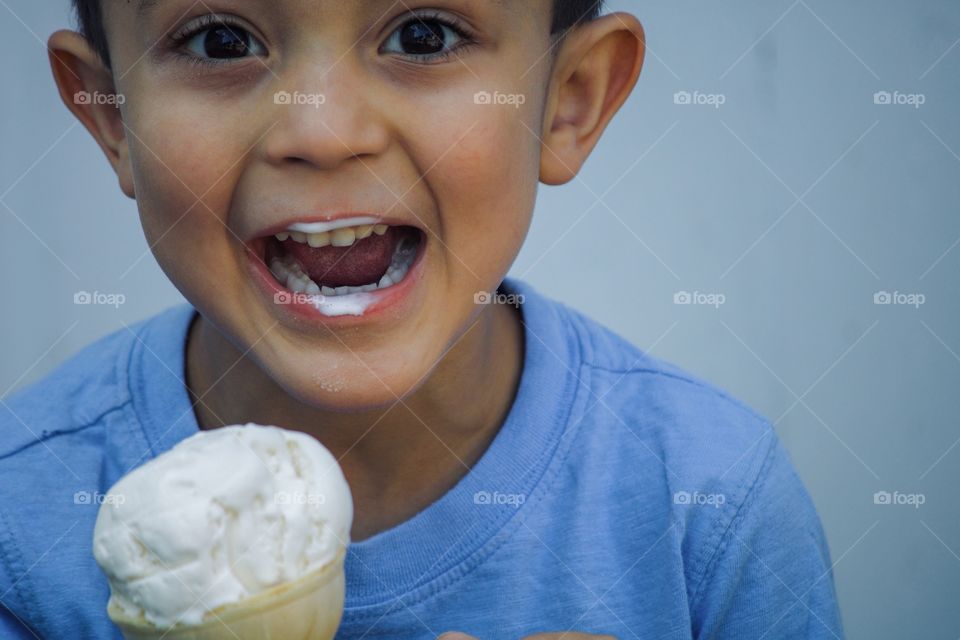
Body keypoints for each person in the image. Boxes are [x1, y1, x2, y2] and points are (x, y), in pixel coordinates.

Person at [0, 1, 844, 637]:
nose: (323, 130)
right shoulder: (18, 521)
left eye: (423, 35)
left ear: (568, 99)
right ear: (112, 116)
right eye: (222, 40)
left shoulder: (712, 506)